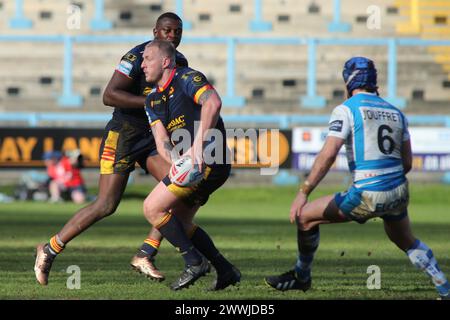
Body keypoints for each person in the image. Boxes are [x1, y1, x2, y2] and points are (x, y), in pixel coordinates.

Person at [265, 57, 450, 300]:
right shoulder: (396, 112)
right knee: (406, 240)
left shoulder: (347, 109)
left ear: (348, 81)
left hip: (366, 192)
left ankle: (302, 277)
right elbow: (406, 163)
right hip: (399, 190)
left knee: (305, 217)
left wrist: (304, 191)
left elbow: (329, 153)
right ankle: (444, 287)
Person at [34, 12, 186, 286]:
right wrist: (149, 102)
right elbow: (109, 95)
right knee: (106, 205)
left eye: (177, 31)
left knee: (180, 188)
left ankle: (145, 253)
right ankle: (50, 249)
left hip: (152, 137)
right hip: (124, 134)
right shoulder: (137, 57)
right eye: (167, 30)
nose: (172, 36)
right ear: (155, 31)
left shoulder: (181, 62)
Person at [141, 39, 241, 290]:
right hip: (196, 163)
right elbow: (161, 139)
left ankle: (193, 262)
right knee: (181, 223)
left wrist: (197, 147)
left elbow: (213, 102)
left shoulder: (186, 78)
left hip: (210, 157)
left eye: (147, 58)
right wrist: (177, 162)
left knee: (152, 208)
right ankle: (225, 270)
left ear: (165, 61)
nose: (142, 65)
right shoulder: (151, 100)